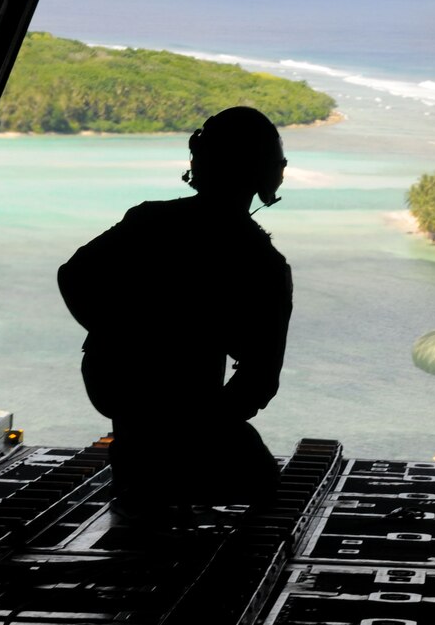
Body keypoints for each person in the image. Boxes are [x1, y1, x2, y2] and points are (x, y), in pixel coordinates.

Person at [57, 106, 292, 523]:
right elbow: (260, 379)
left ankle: (142, 474)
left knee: (143, 462)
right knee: (261, 485)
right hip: (185, 404)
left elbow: (73, 276)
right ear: (266, 174)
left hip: (119, 386)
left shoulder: (149, 221)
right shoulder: (265, 266)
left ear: (200, 163)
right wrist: (201, 428)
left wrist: (116, 335)